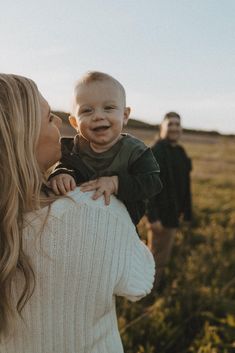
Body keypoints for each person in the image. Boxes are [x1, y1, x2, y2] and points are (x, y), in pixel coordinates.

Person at [0, 74, 155, 353]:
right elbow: (139, 282)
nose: (59, 122)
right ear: (22, 138)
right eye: (49, 118)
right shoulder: (98, 208)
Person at [49, 71, 162, 226]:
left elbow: (152, 183)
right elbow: (65, 165)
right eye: (87, 110)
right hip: (77, 222)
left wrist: (116, 183)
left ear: (125, 115)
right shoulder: (72, 149)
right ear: (75, 123)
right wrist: (61, 174)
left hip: (122, 225)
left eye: (108, 108)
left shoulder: (136, 152)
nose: (98, 116)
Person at [146, 111, 192, 288]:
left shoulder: (180, 152)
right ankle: (147, 296)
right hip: (160, 217)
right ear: (162, 127)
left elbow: (185, 186)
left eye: (177, 124)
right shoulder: (156, 151)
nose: (174, 127)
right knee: (156, 259)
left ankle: (151, 290)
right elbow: (149, 188)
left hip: (174, 215)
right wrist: (153, 217)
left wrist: (186, 213)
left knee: (162, 257)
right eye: (170, 124)